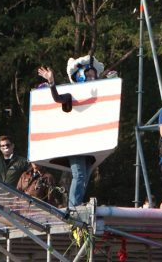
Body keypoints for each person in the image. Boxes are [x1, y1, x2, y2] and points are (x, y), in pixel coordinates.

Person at [37, 54, 104, 208]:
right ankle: (73, 209)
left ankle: (76, 206)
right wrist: (52, 83)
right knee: (79, 175)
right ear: (79, 75)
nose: (90, 77)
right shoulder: (72, 94)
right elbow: (58, 99)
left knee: (85, 176)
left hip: (90, 142)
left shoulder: (99, 94)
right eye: (87, 74)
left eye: (93, 74)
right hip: (75, 142)